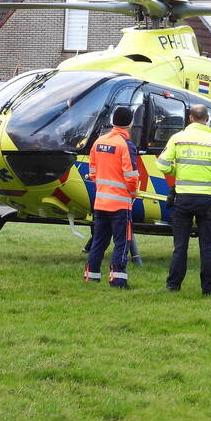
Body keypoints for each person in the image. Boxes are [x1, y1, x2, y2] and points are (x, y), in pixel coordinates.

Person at [156, 104, 211, 295]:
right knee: (206, 247)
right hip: (206, 200)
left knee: (180, 246)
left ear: (190, 118)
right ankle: (208, 289)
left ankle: (173, 285)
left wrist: (179, 170)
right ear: (207, 119)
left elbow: (162, 164)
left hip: (182, 199)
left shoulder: (178, 138)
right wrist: (210, 174)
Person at [85, 106, 140, 288]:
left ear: (113, 121)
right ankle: (118, 280)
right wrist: (133, 193)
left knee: (99, 242)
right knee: (122, 242)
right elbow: (131, 176)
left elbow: (92, 171)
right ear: (130, 124)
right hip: (120, 204)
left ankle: (91, 276)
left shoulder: (99, 141)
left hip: (100, 202)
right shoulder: (125, 145)